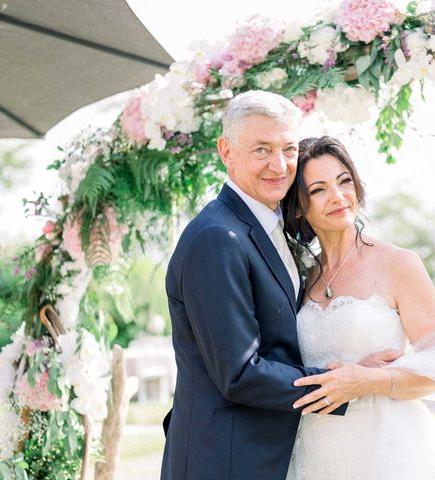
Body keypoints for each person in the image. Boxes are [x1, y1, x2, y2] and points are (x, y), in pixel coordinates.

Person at [160, 92, 390, 480]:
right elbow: (239, 372)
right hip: (224, 461)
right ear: (226, 151)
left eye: (287, 149)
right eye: (261, 149)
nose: (279, 165)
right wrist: (341, 384)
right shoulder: (217, 238)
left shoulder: (268, 227)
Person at [282, 136, 435, 479]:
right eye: (318, 189)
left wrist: (367, 380)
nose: (337, 196)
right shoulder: (299, 277)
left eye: (344, 181)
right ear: (298, 206)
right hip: (316, 451)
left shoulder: (398, 264)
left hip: (387, 450)